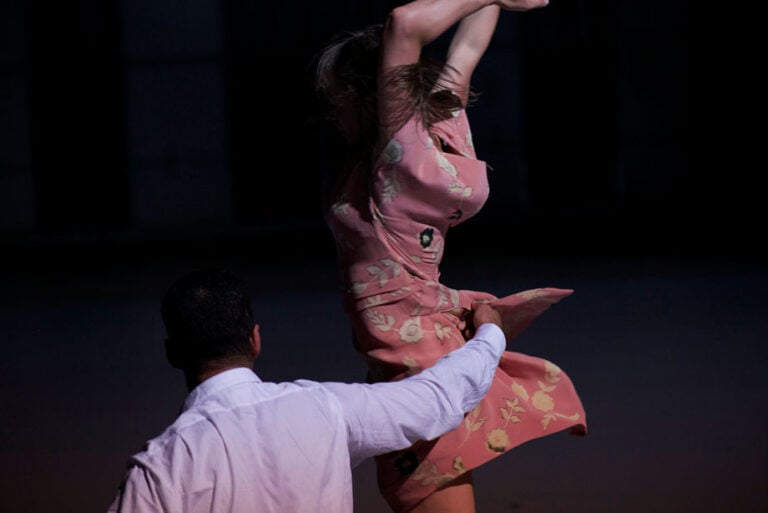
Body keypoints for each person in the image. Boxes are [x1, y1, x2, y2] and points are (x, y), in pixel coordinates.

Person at [311, 0, 588, 512]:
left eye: (340, 97)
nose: (333, 111)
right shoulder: (429, 131)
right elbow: (466, 48)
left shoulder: (396, 162)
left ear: (372, 93)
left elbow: (404, 23)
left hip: (417, 372)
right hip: (408, 360)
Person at [106, 268, 508, 513]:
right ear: (255, 340)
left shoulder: (160, 468)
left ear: (172, 354)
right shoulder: (323, 408)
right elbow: (435, 400)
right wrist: (489, 334)